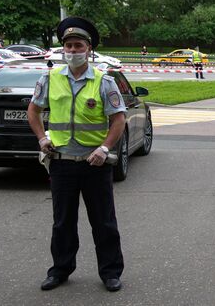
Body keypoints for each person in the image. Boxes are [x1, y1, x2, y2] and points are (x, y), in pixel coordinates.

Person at [27, 17, 126, 292]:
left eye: (78, 45)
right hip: (61, 163)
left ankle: (110, 273)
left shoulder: (103, 82)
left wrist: (104, 148)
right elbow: (33, 111)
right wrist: (42, 138)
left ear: (89, 49)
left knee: (104, 222)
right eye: (68, 46)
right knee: (62, 223)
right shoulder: (50, 78)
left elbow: (119, 119)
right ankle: (60, 270)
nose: (72, 51)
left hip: (95, 164)